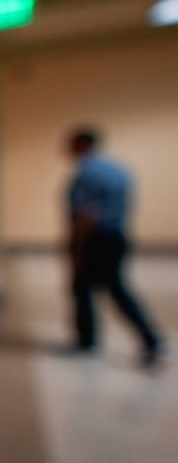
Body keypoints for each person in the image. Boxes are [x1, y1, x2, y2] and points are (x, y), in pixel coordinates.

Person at [65, 127, 166, 368]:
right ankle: (90, 340)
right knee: (98, 288)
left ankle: (148, 339)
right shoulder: (119, 170)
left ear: (81, 145)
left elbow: (85, 214)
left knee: (103, 288)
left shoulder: (86, 172)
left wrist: (76, 249)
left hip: (95, 239)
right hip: (117, 236)